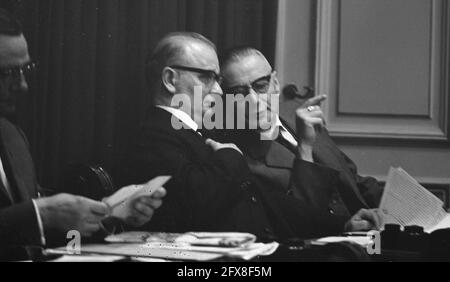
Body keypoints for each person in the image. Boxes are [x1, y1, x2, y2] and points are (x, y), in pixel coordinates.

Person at [121, 32, 380, 242]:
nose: (218, 90)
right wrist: (231, 156)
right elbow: (198, 200)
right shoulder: (162, 134)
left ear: (275, 84)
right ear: (169, 80)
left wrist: (343, 225)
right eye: (207, 77)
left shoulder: (196, 135)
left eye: (261, 85)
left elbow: (271, 204)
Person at [0, 8, 166, 261]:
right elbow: (34, 219)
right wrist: (41, 213)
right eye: (7, 73)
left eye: (26, 69)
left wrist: (107, 213)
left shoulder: (11, 136)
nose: (23, 85)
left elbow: (32, 236)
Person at [218, 46, 383, 221]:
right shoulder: (236, 157)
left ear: (275, 83)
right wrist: (305, 147)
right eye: (238, 93)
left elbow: (352, 180)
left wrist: (404, 204)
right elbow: (302, 219)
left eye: (260, 86)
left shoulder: (300, 116)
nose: (253, 101)